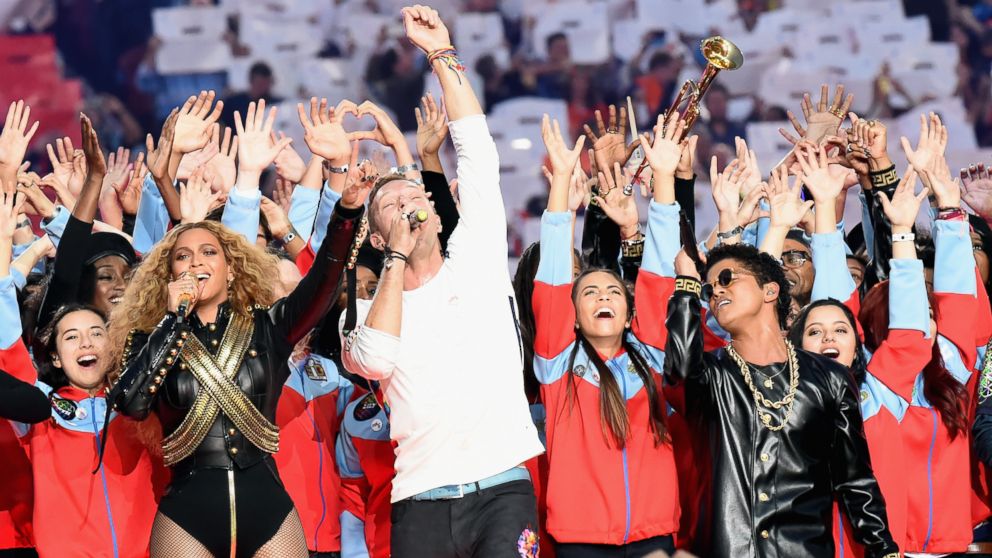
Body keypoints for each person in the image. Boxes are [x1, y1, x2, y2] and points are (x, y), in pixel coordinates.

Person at [341, 6, 544, 557]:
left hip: (504, 487)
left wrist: (441, 55)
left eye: (414, 194)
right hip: (420, 499)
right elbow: (376, 361)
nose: (408, 198)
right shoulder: (363, 310)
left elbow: (477, 151)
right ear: (377, 239)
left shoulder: (476, 258)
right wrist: (397, 263)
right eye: (390, 202)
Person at [107, 140, 368, 558]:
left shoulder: (269, 327)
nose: (195, 263)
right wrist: (174, 320)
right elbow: (131, 404)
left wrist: (347, 214)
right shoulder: (151, 337)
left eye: (209, 252)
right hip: (188, 513)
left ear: (231, 269)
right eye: (183, 257)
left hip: (266, 507)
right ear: (167, 273)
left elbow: (323, 284)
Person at [662, 162, 899, 557]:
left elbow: (855, 480)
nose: (716, 291)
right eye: (709, 285)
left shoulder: (829, 378)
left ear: (770, 291)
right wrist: (685, 288)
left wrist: (884, 549)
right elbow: (679, 374)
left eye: (727, 279)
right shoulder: (714, 376)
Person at [531, 113, 682, 555]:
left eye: (614, 291)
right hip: (580, 539)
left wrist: (666, 179)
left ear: (629, 311)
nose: (603, 297)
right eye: (590, 292)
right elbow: (555, 279)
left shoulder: (652, 356)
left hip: (654, 533)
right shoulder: (558, 364)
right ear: (573, 316)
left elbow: (659, 273)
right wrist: (562, 191)